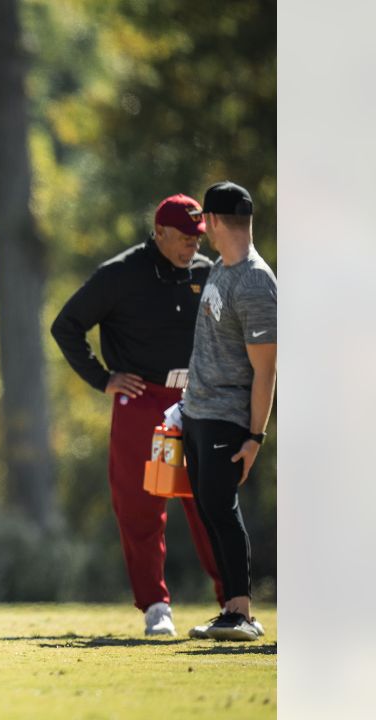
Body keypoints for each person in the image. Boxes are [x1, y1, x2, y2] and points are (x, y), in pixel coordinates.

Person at [50, 194, 226, 636]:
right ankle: (155, 606)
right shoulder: (121, 274)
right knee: (141, 506)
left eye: (197, 237)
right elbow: (66, 325)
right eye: (185, 238)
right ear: (160, 232)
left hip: (197, 399)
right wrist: (102, 378)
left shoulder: (207, 273)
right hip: (142, 399)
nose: (193, 246)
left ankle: (233, 602)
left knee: (209, 502)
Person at [180, 181, 276, 642]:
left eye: (206, 225)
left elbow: (266, 369)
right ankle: (229, 609)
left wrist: (255, 437)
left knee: (221, 507)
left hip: (227, 415)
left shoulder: (256, 282)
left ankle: (241, 611)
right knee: (208, 509)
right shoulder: (222, 267)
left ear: (215, 222)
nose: (205, 233)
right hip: (198, 411)